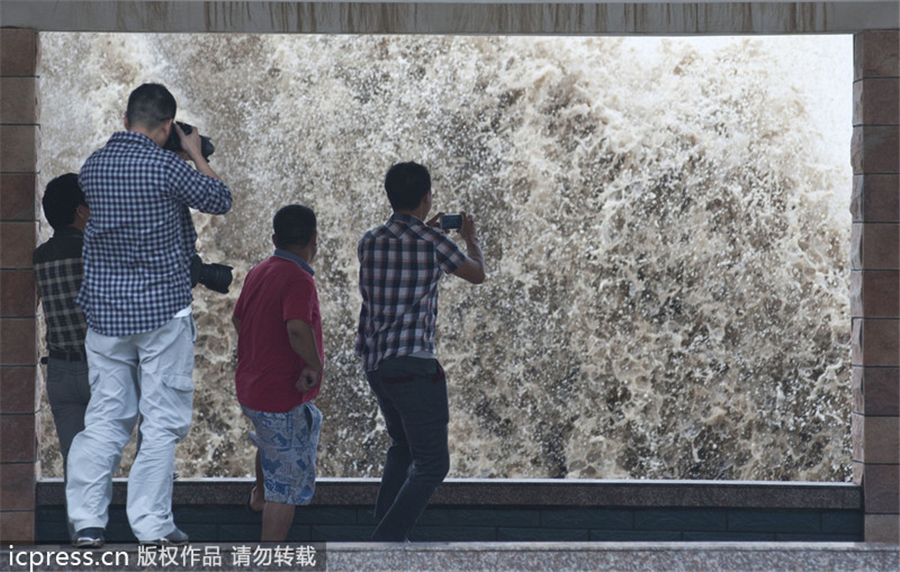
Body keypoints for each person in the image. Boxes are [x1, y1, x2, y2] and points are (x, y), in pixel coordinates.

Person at [66, 83, 232, 548]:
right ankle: (151, 525)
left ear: (125, 120)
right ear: (166, 127)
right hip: (161, 315)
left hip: (105, 317)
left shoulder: (93, 166)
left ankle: (87, 523)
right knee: (160, 421)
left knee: (104, 419)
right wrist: (194, 152)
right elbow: (220, 199)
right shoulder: (166, 166)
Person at [356, 161, 485, 542]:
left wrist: (424, 231)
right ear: (427, 198)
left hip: (378, 366)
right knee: (433, 464)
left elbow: (402, 249)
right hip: (414, 366)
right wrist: (470, 236)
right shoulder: (435, 243)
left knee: (403, 446)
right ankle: (386, 541)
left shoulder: (369, 240)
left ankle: (382, 529)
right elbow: (477, 273)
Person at [232, 205, 324, 542]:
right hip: (279, 395)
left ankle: (258, 496)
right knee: (285, 487)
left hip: (252, 389)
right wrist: (312, 365)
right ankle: (269, 557)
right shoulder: (299, 279)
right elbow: (298, 329)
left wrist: (259, 352)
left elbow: (238, 319)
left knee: (272, 442)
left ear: (274, 239)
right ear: (315, 239)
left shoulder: (260, 270)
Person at [33, 173, 91, 472]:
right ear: (81, 211)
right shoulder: (97, 253)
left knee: (78, 466)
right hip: (100, 371)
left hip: (60, 373)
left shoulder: (40, 257)